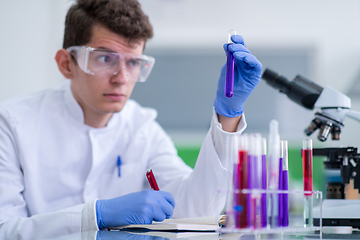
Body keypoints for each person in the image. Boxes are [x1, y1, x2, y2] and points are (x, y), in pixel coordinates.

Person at [0, 0, 261, 238]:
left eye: (134, 62)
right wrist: (94, 216)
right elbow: (5, 229)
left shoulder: (142, 128)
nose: (122, 78)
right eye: (105, 58)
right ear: (67, 64)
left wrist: (228, 114)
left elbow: (196, 211)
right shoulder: (12, 124)